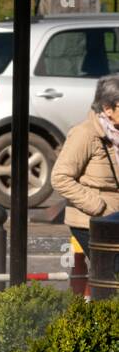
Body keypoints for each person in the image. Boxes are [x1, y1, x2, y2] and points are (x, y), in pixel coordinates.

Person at [49, 75, 119, 269]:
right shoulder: (85, 133)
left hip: (114, 219)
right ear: (108, 109)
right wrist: (98, 207)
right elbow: (60, 178)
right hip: (92, 221)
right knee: (112, 275)